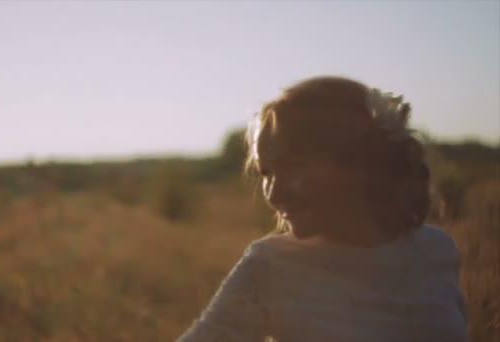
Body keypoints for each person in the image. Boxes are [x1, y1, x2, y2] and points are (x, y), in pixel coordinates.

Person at [177, 76, 468, 341]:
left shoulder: (437, 251)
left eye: (292, 167)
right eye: (266, 173)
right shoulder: (270, 266)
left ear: (355, 163)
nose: (274, 194)